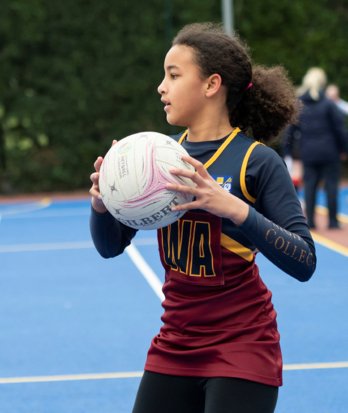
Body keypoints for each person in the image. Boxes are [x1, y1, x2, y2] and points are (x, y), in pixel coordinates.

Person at [89, 23, 316, 413]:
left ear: (212, 85)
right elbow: (110, 247)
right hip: (175, 343)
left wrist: (234, 208)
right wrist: (102, 206)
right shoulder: (158, 160)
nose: (161, 86)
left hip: (242, 345)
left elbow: (304, 260)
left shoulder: (256, 161)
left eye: (173, 75)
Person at [283, 68, 348, 229]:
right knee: (331, 185)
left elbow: (290, 130)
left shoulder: (300, 104)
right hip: (329, 151)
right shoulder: (328, 105)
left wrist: (288, 152)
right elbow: (340, 129)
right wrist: (344, 149)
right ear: (322, 83)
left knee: (310, 185)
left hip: (309, 151)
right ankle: (332, 221)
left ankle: (310, 221)